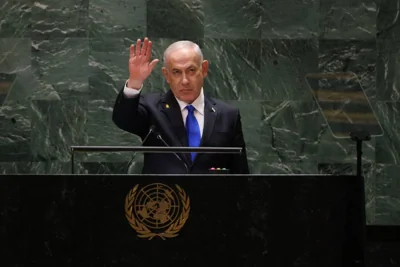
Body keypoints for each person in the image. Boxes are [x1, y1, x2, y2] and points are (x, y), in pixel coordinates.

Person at [112, 37, 249, 174]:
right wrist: (135, 81)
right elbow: (123, 119)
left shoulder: (228, 115)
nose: (184, 80)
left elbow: (240, 172)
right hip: (164, 194)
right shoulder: (151, 108)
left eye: (191, 70)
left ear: (204, 69)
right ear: (166, 75)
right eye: (176, 72)